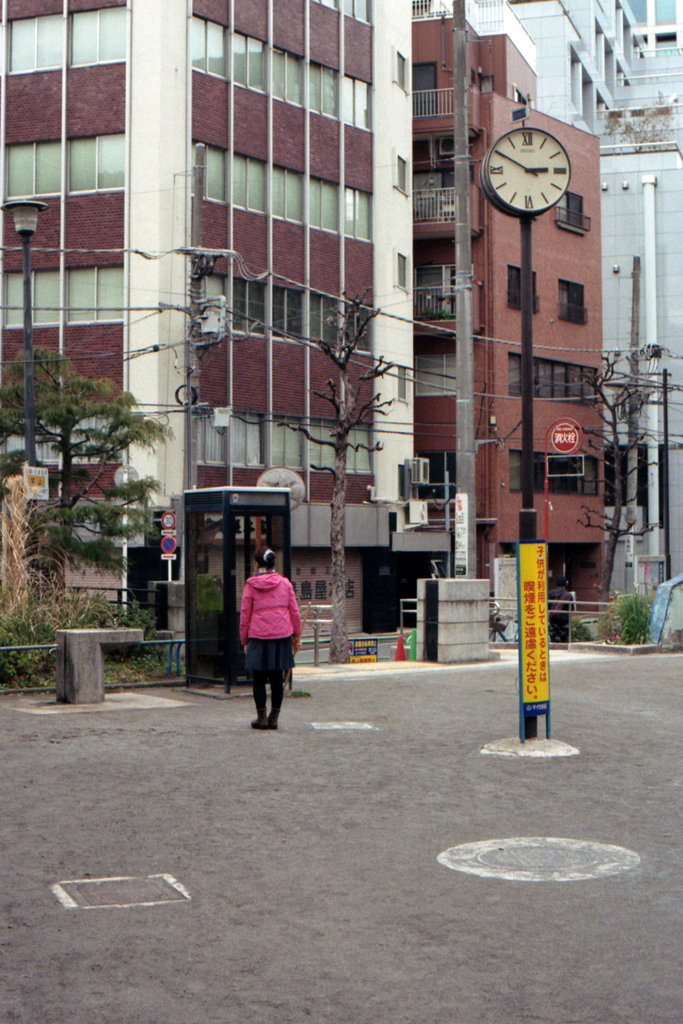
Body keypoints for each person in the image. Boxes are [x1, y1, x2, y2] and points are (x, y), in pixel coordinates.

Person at [239, 545, 301, 731]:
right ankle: (274, 717)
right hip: (281, 635)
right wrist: (296, 636)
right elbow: (295, 612)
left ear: (257, 564)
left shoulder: (250, 585)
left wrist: (244, 640)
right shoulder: (285, 584)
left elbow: (245, 616)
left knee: (258, 678)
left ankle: (262, 718)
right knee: (277, 677)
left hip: (258, 636)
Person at [548, 575, 571, 642]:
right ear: (565, 584)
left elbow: (547, 606)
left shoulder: (549, 593)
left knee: (553, 636)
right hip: (564, 620)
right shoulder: (568, 595)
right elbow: (571, 608)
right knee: (564, 638)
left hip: (552, 619)